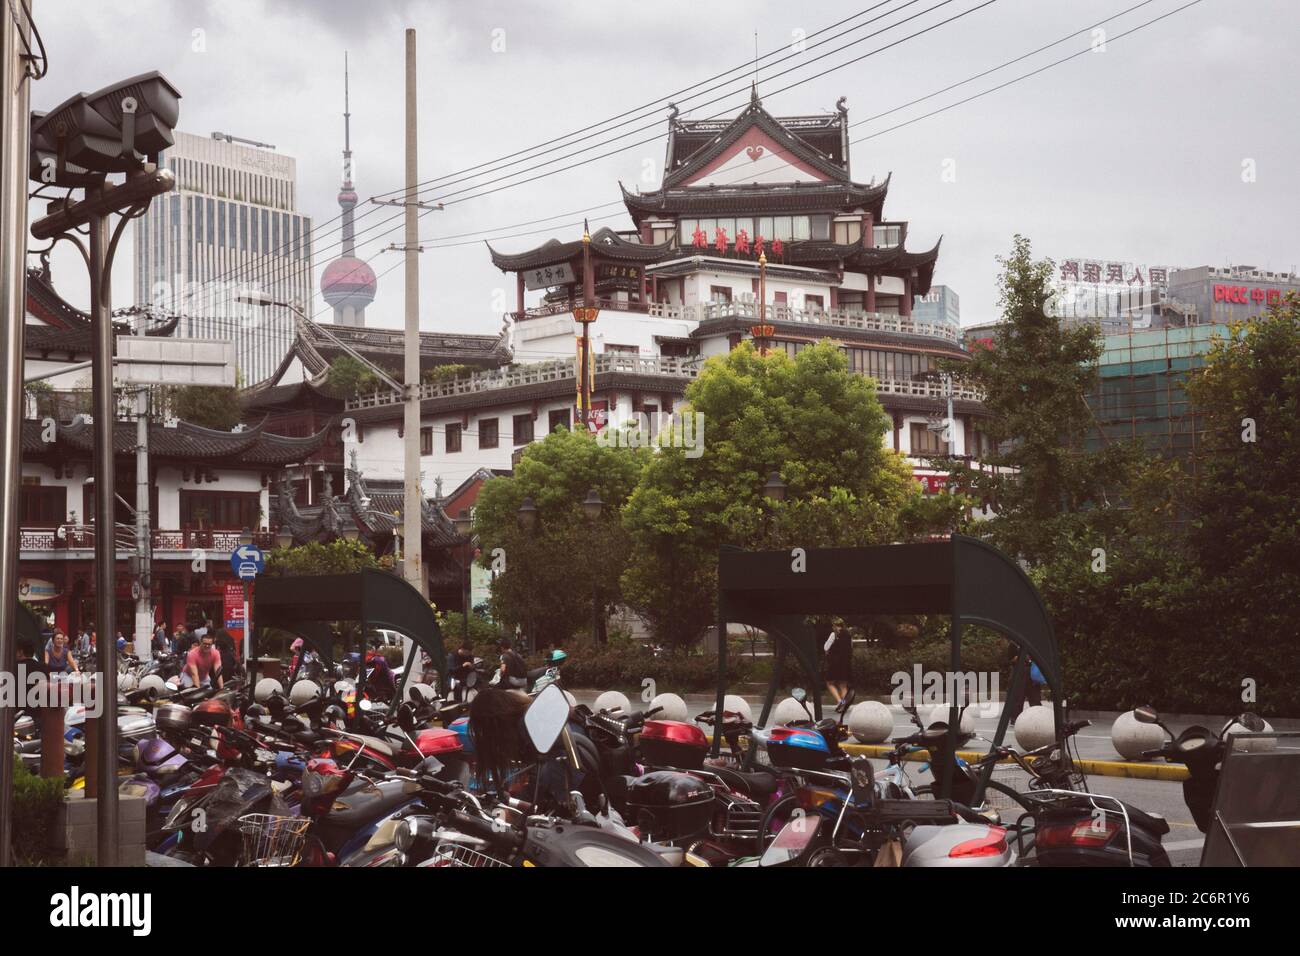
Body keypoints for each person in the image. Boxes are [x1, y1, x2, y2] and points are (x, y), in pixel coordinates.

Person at [823, 617, 852, 706]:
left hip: (834, 664)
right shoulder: (848, 635)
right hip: (845, 664)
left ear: (835, 626)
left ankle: (840, 701)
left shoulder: (834, 634)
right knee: (843, 685)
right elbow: (851, 648)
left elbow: (826, 647)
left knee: (829, 683)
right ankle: (844, 704)